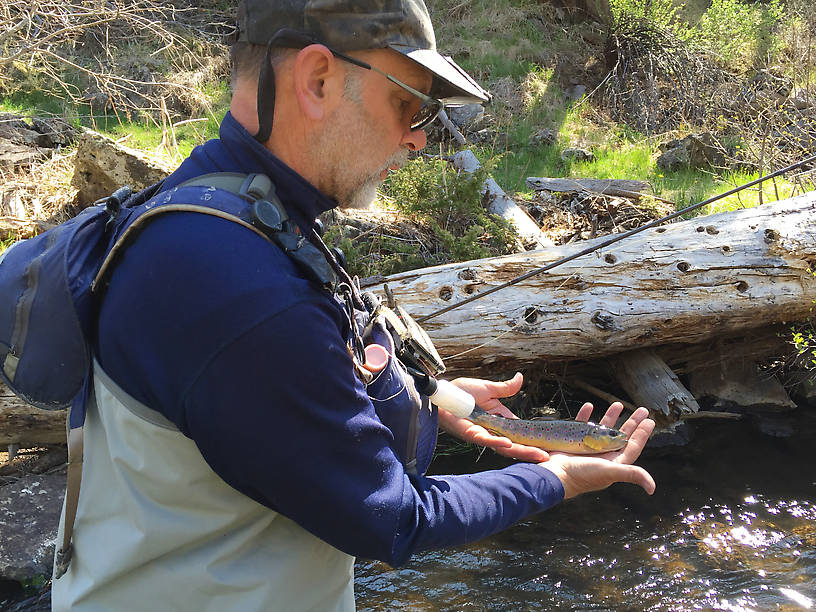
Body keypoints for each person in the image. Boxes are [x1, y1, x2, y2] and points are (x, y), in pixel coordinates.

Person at [51, 1, 655, 609]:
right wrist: (552, 478)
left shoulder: (220, 207)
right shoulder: (236, 282)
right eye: (409, 104)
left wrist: (439, 397)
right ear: (318, 79)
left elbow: (313, 361)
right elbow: (393, 519)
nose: (419, 137)